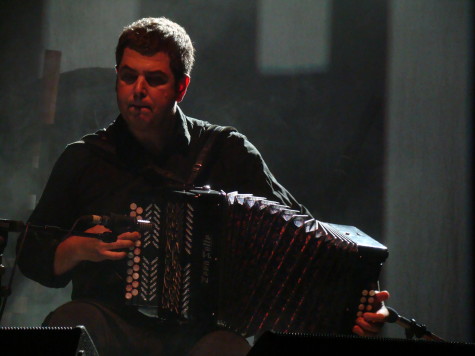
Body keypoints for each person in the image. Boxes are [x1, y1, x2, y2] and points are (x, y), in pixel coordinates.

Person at [16, 17, 389, 356]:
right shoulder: (85, 158)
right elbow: (31, 253)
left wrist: (356, 305)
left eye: (155, 79)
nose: (138, 89)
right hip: (110, 322)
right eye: (128, 76)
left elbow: (306, 240)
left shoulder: (227, 152)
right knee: (72, 322)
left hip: (202, 334)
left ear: (181, 87)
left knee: (230, 349)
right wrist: (76, 248)